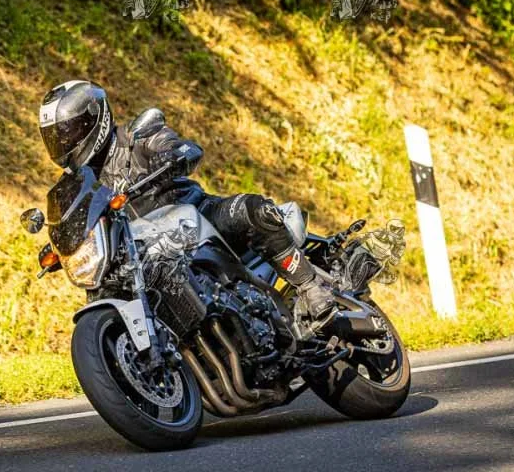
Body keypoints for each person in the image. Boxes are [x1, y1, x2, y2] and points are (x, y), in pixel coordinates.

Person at [36, 80, 339, 327]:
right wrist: (64, 243)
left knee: (250, 210)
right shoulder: (81, 183)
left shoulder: (135, 137)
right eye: (56, 137)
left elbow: (179, 147)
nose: (64, 143)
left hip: (194, 216)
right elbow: (80, 216)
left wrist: (173, 155)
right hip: (140, 253)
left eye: (68, 133)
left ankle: (310, 285)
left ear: (93, 118)